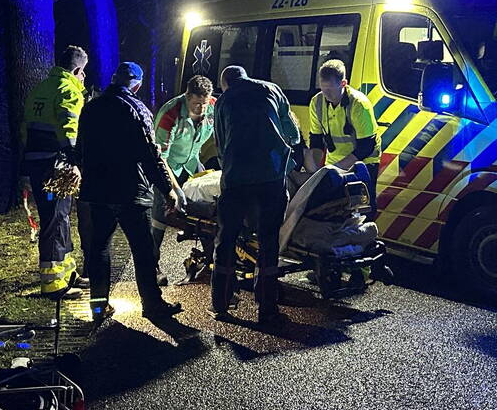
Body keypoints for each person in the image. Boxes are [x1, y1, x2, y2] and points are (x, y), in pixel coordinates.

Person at [71, 61, 183, 324]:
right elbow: (150, 154)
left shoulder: (91, 108)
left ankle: (98, 307)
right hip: (130, 190)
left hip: (98, 192)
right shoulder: (137, 109)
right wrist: (167, 188)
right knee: (142, 250)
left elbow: (80, 150)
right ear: (136, 85)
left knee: (99, 249)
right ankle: (152, 304)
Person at [212, 65, 300, 324]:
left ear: (226, 83)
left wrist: (227, 174)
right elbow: (293, 136)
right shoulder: (273, 90)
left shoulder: (224, 100)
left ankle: (221, 303)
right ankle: (267, 308)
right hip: (271, 177)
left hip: (236, 178)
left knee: (226, 239)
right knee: (268, 241)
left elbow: (221, 143)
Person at [21, 45, 88, 300]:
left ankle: (68, 273)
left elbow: (25, 130)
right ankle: (53, 285)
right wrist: (74, 162)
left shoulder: (40, 89)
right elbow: (70, 129)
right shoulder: (68, 89)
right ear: (78, 69)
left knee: (59, 217)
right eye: (84, 73)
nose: (84, 78)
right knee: (55, 219)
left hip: (37, 164)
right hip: (56, 165)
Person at [151, 75, 217, 284]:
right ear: (187, 97)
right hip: (167, 165)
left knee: (206, 205)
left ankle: (210, 261)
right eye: (196, 104)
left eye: (204, 104)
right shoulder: (169, 114)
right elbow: (161, 158)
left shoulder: (213, 107)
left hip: (191, 161)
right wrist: (175, 189)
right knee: (160, 213)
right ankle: (152, 265)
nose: (200, 109)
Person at [305, 59, 382, 213]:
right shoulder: (317, 102)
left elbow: (366, 147)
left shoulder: (359, 104)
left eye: (330, 89)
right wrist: (313, 172)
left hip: (364, 164)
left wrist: (335, 169)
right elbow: (316, 141)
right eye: (323, 88)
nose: (326, 94)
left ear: (343, 83)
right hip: (335, 163)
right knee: (335, 211)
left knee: (361, 210)